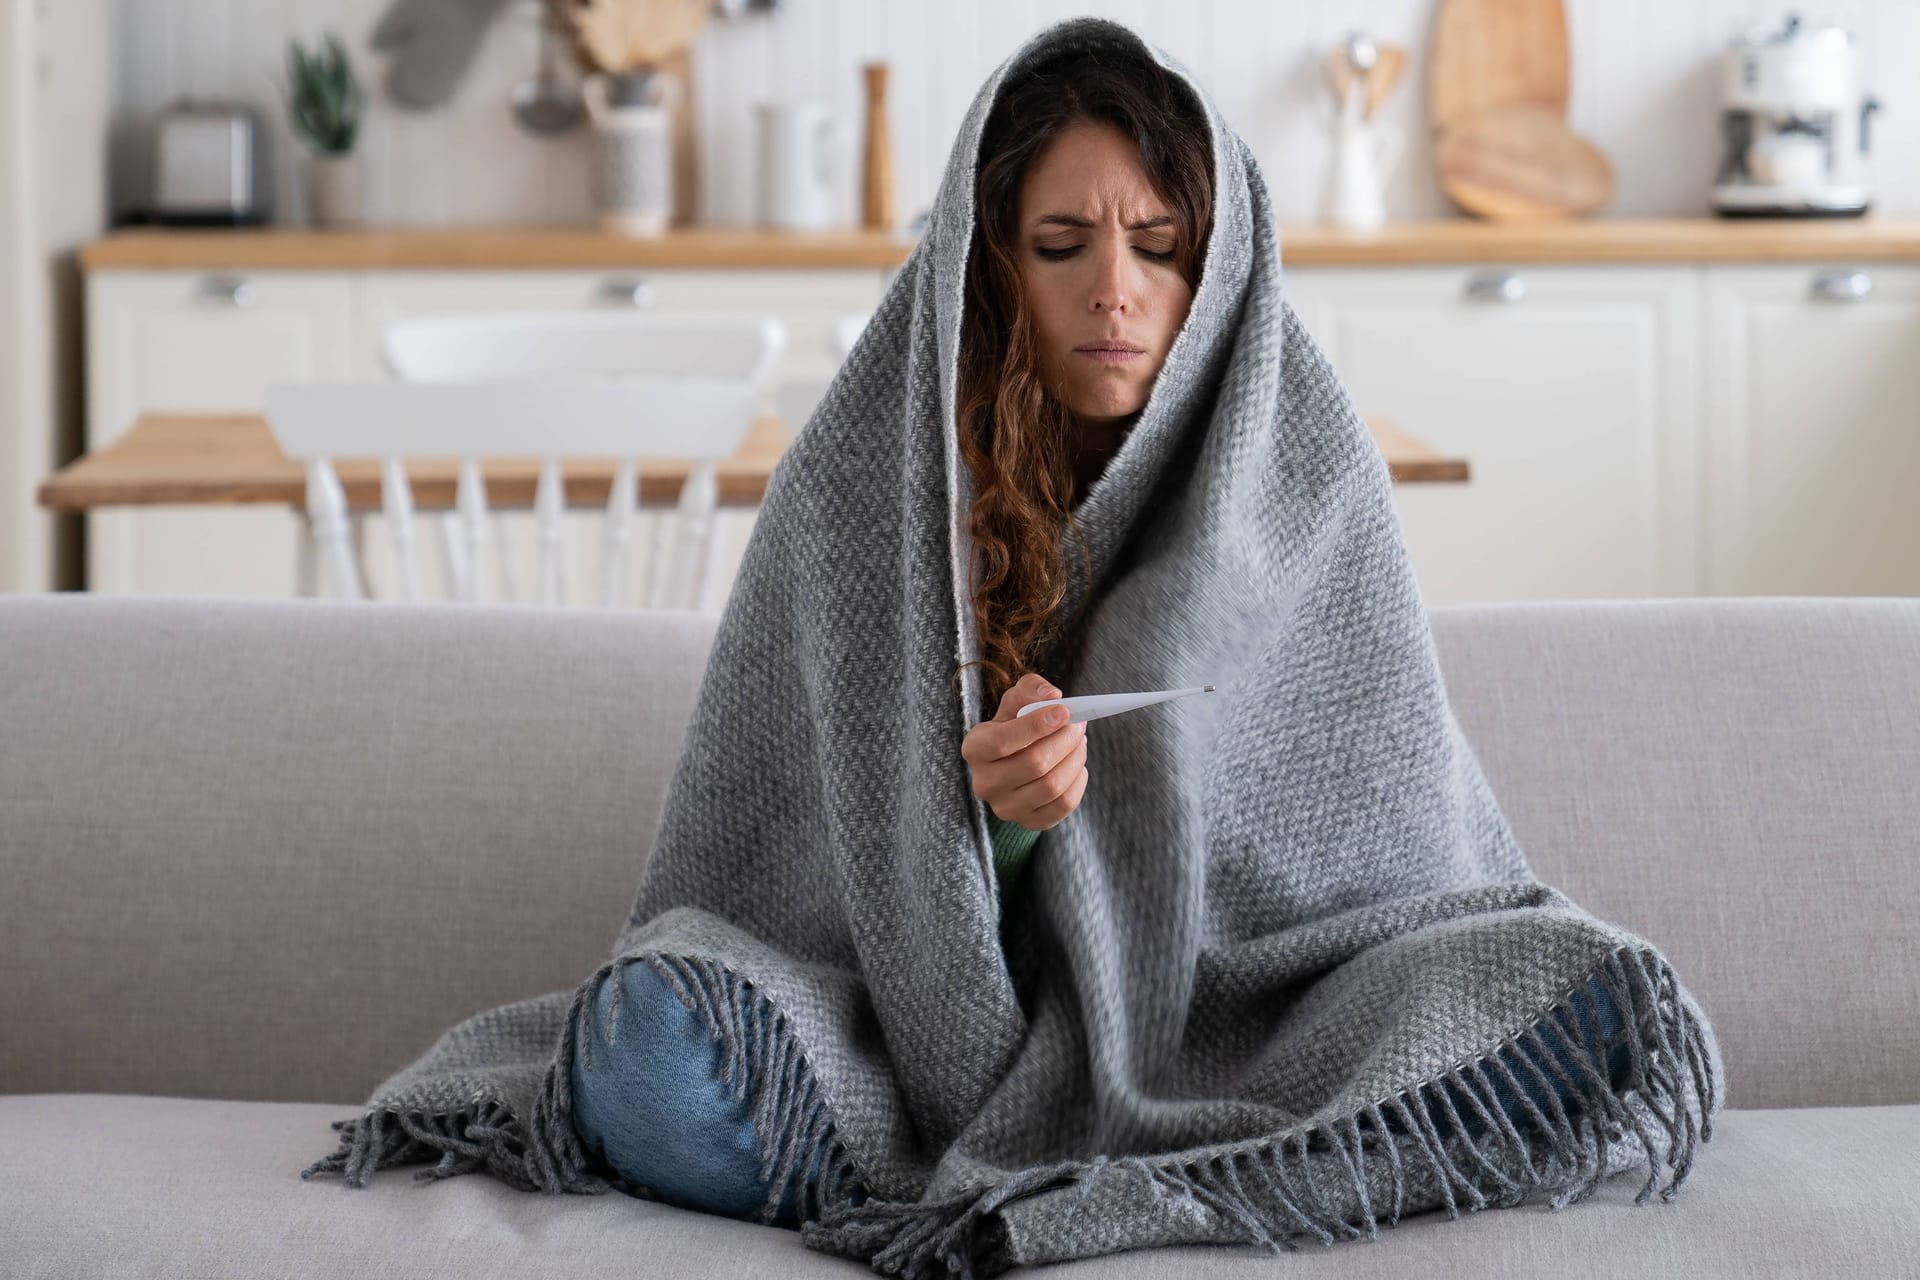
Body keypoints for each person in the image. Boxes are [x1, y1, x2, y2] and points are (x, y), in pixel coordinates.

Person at [311, 22, 1716, 1276]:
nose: (1115, 291)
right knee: (655, 1052)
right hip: (894, 1029)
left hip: (1243, 1010)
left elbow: (1373, 836)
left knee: (1585, 1004)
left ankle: (1155, 1158)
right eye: (1062, 248)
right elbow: (785, 863)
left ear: (1219, 267)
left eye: (1160, 248)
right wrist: (992, 830)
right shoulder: (863, 476)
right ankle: (945, 1163)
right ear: (986, 266)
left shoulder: (1306, 463)